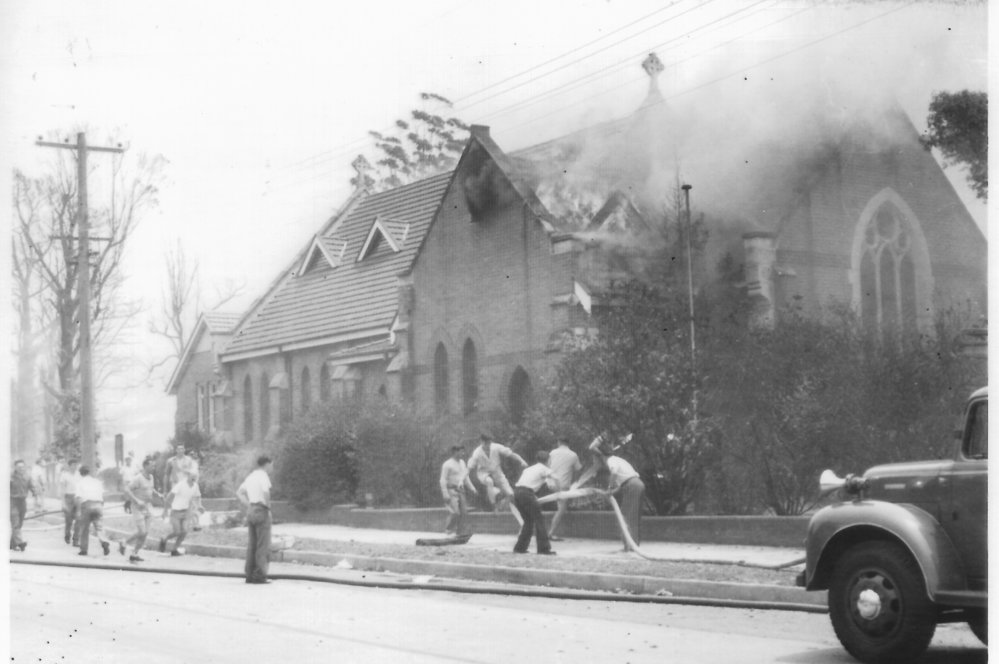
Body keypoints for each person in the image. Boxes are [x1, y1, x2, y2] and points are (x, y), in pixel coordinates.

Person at [589, 434, 645, 550]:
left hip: (632, 486)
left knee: (626, 517)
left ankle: (629, 546)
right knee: (632, 516)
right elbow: (621, 485)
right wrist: (610, 493)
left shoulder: (611, 460)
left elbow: (614, 473)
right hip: (637, 484)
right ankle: (632, 544)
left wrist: (609, 488)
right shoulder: (618, 460)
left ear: (601, 457)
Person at [468, 431, 527, 511]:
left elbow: (510, 454)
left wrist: (521, 460)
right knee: (489, 482)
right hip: (483, 473)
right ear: (482, 442)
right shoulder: (477, 452)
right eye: (486, 443)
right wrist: (462, 479)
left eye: (489, 443)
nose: (488, 445)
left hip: (497, 472)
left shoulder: (496, 447)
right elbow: (469, 467)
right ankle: (494, 506)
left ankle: (502, 509)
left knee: (510, 494)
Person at [237, 455, 273, 584]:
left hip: (252, 509)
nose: (272, 468)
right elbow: (266, 492)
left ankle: (249, 574)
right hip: (261, 509)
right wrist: (268, 507)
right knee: (263, 545)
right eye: (271, 465)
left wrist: (250, 505)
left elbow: (239, 493)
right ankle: (260, 575)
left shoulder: (250, 476)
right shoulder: (263, 476)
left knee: (252, 544)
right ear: (267, 464)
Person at [512, 451, 557, 555]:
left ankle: (519, 548)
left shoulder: (530, 469)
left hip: (517, 493)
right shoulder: (544, 468)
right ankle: (544, 549)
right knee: (539, 520)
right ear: (548, 460)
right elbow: (556, 478)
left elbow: (546, 483)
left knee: (528, 521)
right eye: (550, 460)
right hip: (527, 494)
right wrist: (560, 490)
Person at [120, 457, 161, 563]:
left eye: (154, 465)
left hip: (148, 507)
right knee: (141, 531)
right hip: (137, 508)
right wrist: (137, 500)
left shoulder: (151, 477)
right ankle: (124, 542)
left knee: (145, 533)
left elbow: (150, 488)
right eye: (152, 465)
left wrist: (157, 494)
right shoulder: (138, 478)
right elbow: (127, 489)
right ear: (145, 466)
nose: (153, 467)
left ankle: (134, 554)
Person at [547, 438, 582, 541]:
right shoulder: (573, 455)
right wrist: (575, 483)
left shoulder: (552, 452)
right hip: (563, 484)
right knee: (561, 508)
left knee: (560, 505)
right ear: (568, 443)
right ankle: (550, 533)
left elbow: (547, 465)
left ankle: (550, 532)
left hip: (550, 483)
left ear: (559, 442)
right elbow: (578, 469)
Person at [439, 445, 477, 537]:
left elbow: (465, 478)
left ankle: (460, 533)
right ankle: (449, 530)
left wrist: (472, 488)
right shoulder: (447, 464)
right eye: (460, 451)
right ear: (455, 452)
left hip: (461, 490)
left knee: (464, 513)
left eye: (463, 451)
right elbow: (443, 479)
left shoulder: (462, 463)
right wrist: (445, 493)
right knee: (455, 512)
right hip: (451, 490)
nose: (462, 453)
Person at [75, 465, 111, 556]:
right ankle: (104, 541)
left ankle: (84, 549)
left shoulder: (80, 482)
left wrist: (78, 511)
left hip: (87, 505)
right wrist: (101, 505)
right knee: (99, 527)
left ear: (80, 473)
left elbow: (79, 497)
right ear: (89, 473)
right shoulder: (97, 482)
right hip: (98, 504)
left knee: (84, 529)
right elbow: (103, 495)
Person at [159, 474, 199, 556]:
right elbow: (169, 496)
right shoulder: (181, 484)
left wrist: (197, 506)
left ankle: (174, 549)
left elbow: (195, 497)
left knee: (184, 532)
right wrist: (165, 510)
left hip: (186, 511)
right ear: (188, 476)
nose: (194, 478)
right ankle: (164, 539)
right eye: (192, 476)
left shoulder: (195, 486)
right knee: (177, 532)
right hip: (176, 511)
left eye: (195, 476)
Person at [10, 459, 37, 551]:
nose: (21, 468)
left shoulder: (27, 476)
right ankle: (20, 543)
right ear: (15, 468)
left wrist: (35, 493)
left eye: (22, 467)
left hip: (22, 502)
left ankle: (12, 544)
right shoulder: (10, 477)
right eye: (19, 467)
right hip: (12, 501)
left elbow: (32, 486)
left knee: (20, 523)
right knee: (16, 523)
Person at [57, 458, 81, 546]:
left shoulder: (79, 475)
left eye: (76, 465)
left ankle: (76, 540)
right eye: (73, 465)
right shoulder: (64, 475)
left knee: (79, 519)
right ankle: (67, 535)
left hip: (78, 498)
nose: (75, 467)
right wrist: (63, 503)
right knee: (69, 520)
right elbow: (62, 490)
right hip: (68, 498)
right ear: (69, 466)